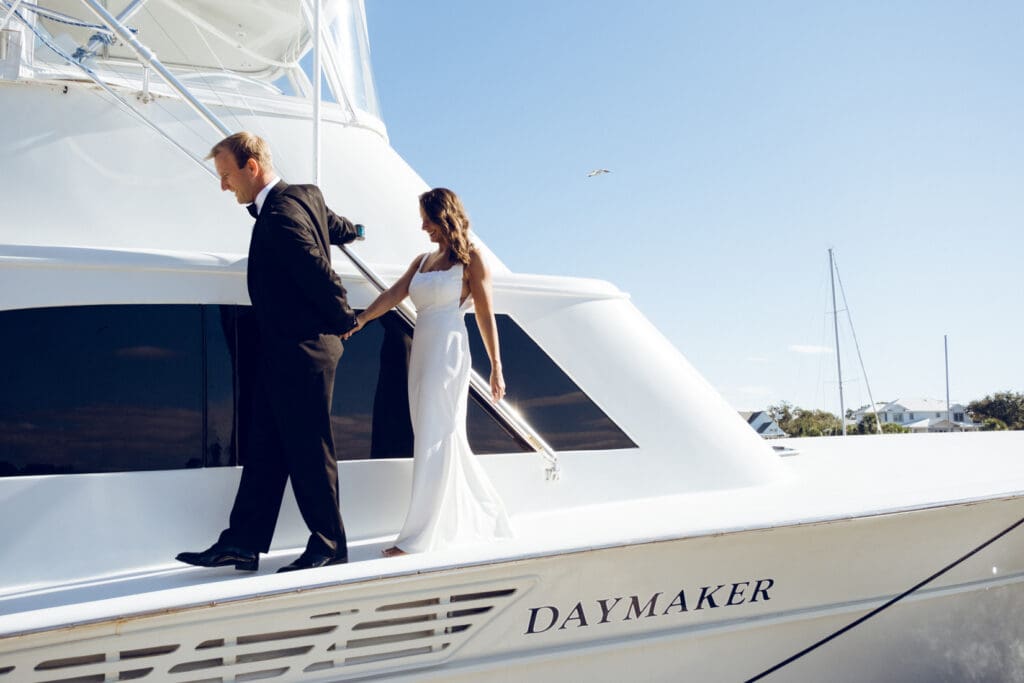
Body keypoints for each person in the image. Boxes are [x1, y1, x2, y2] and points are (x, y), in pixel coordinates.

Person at [176, 132, 361, 573]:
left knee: (308, 449)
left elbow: (316, 269)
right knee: (266, 447)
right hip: (283, 351)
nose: (224, 186)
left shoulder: (280, 216)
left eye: (226, 176)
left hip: (304, 350)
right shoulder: (306, 196)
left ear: (251, 167)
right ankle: (242, 541)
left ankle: (330, 544)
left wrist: (346, 320)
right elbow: (335, 227)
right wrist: (357, 231)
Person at [346, 188, 514, 556]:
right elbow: (394, 295)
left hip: (449, 350)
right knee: (433, 435)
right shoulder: (422, 260)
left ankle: (418, 537)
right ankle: (476, 516)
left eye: (428, 219)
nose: (423, 226)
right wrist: (360, 320)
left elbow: (485, 315)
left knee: (436, 436)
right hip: (422, 351)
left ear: (445, 216)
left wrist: (496, 366)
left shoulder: (472, 260)